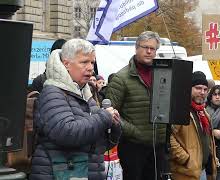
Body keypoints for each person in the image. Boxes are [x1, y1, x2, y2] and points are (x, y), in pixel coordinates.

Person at [29, 39, 121, 180]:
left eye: (92, 62)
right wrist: (103, 118)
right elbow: (66, 132)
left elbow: (98, 145)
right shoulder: (53, 93)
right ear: (66, 64)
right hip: (58, 173)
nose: (90, 68)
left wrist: (113, 125)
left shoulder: (85, 94)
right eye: (84, 62)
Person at [105, 31, 167, 180]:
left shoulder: (163, 75)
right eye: (145, 47)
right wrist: (134, 131)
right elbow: (109, 112)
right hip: (133, 147)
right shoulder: (121, 78)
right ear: (136, 48)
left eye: (153, 48)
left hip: (157, 146)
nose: (149, 51)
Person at [170, 71, 218, 180]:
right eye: (198, 88)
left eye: (205, 89)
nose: (202, 92)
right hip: (185, 172)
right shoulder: (180, 110)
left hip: (202, 170)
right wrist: (185, 159)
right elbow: (168, 136)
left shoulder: (203, 112)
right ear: (189, 88)